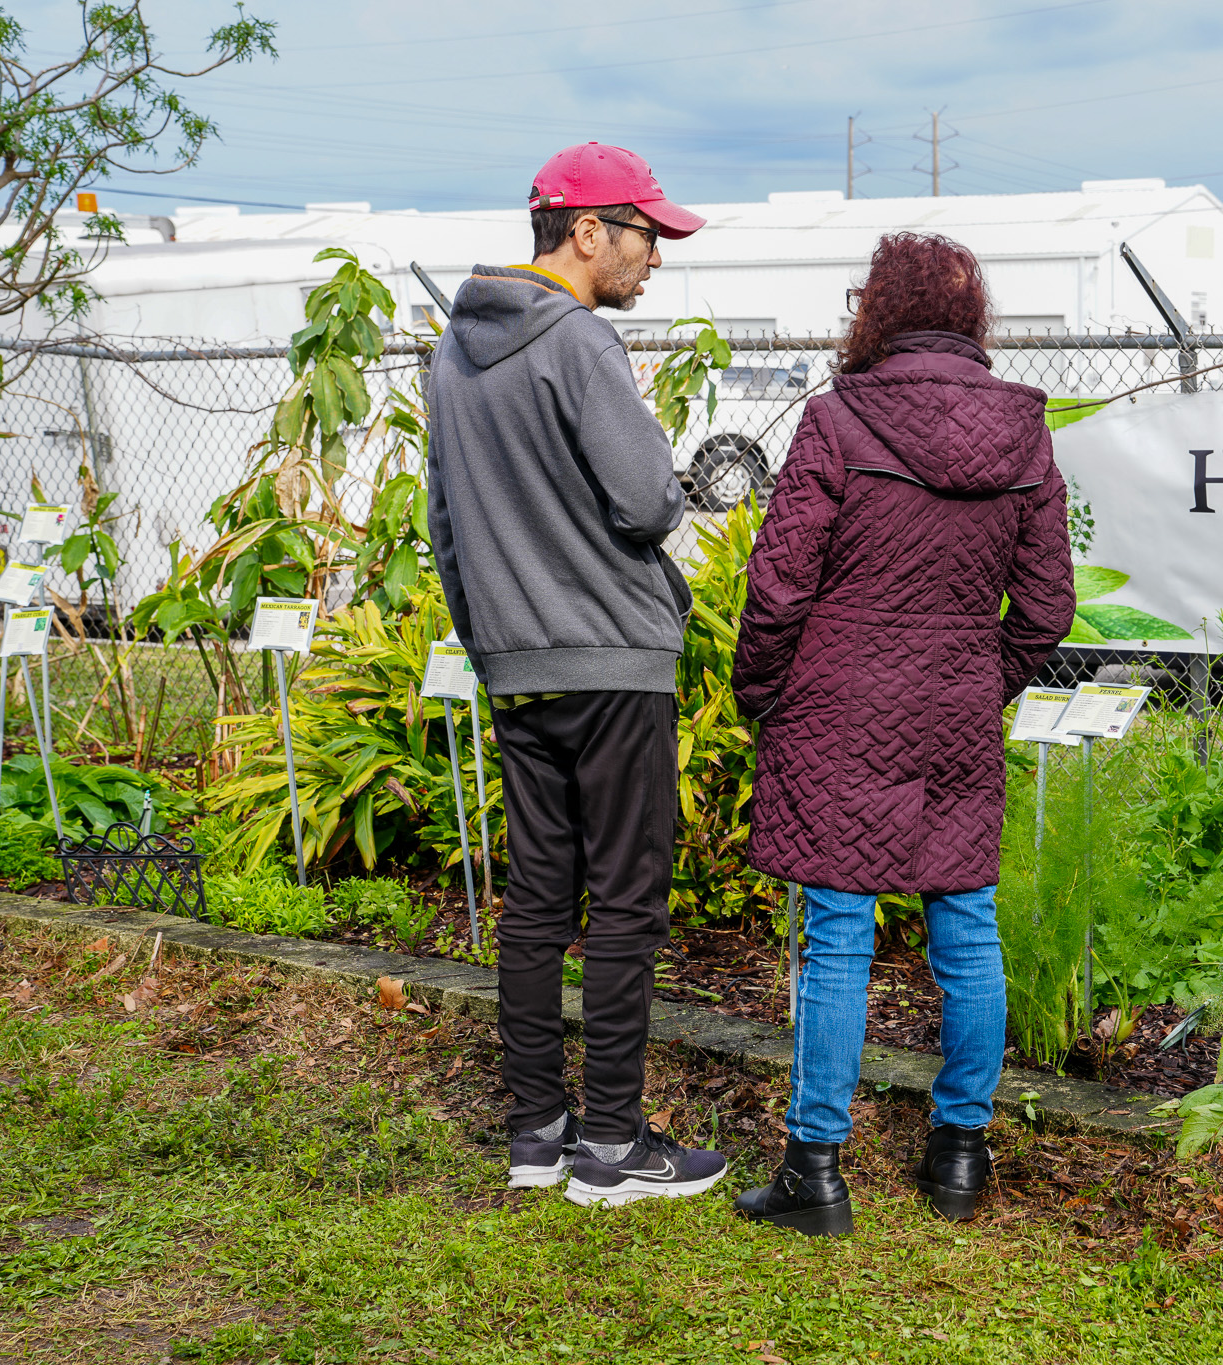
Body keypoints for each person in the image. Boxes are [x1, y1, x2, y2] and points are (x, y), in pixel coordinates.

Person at [729, 232, 1075, 1237]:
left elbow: (779, 581)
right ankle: (960, 1155)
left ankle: (815, 1172)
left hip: (839, 705)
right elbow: (1046, 608)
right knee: (965, 926)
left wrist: (763, 690)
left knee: (837, 933)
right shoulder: (1025, 435)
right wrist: (978, 680)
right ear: (972, 319)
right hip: (955, 708)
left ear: (876, 311)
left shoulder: (838, 420)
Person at [427, 142, 727, 1207]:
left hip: (517, 663)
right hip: (612, 661)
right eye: (648, 234)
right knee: (628, 901)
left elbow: (445, 523)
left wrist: (491, 643)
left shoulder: (455, 353)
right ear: (587, 230)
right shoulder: (580, 340)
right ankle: (611, 1145)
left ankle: (536, 1132)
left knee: (537, 898)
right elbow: (648, 503)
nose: (657, 257)